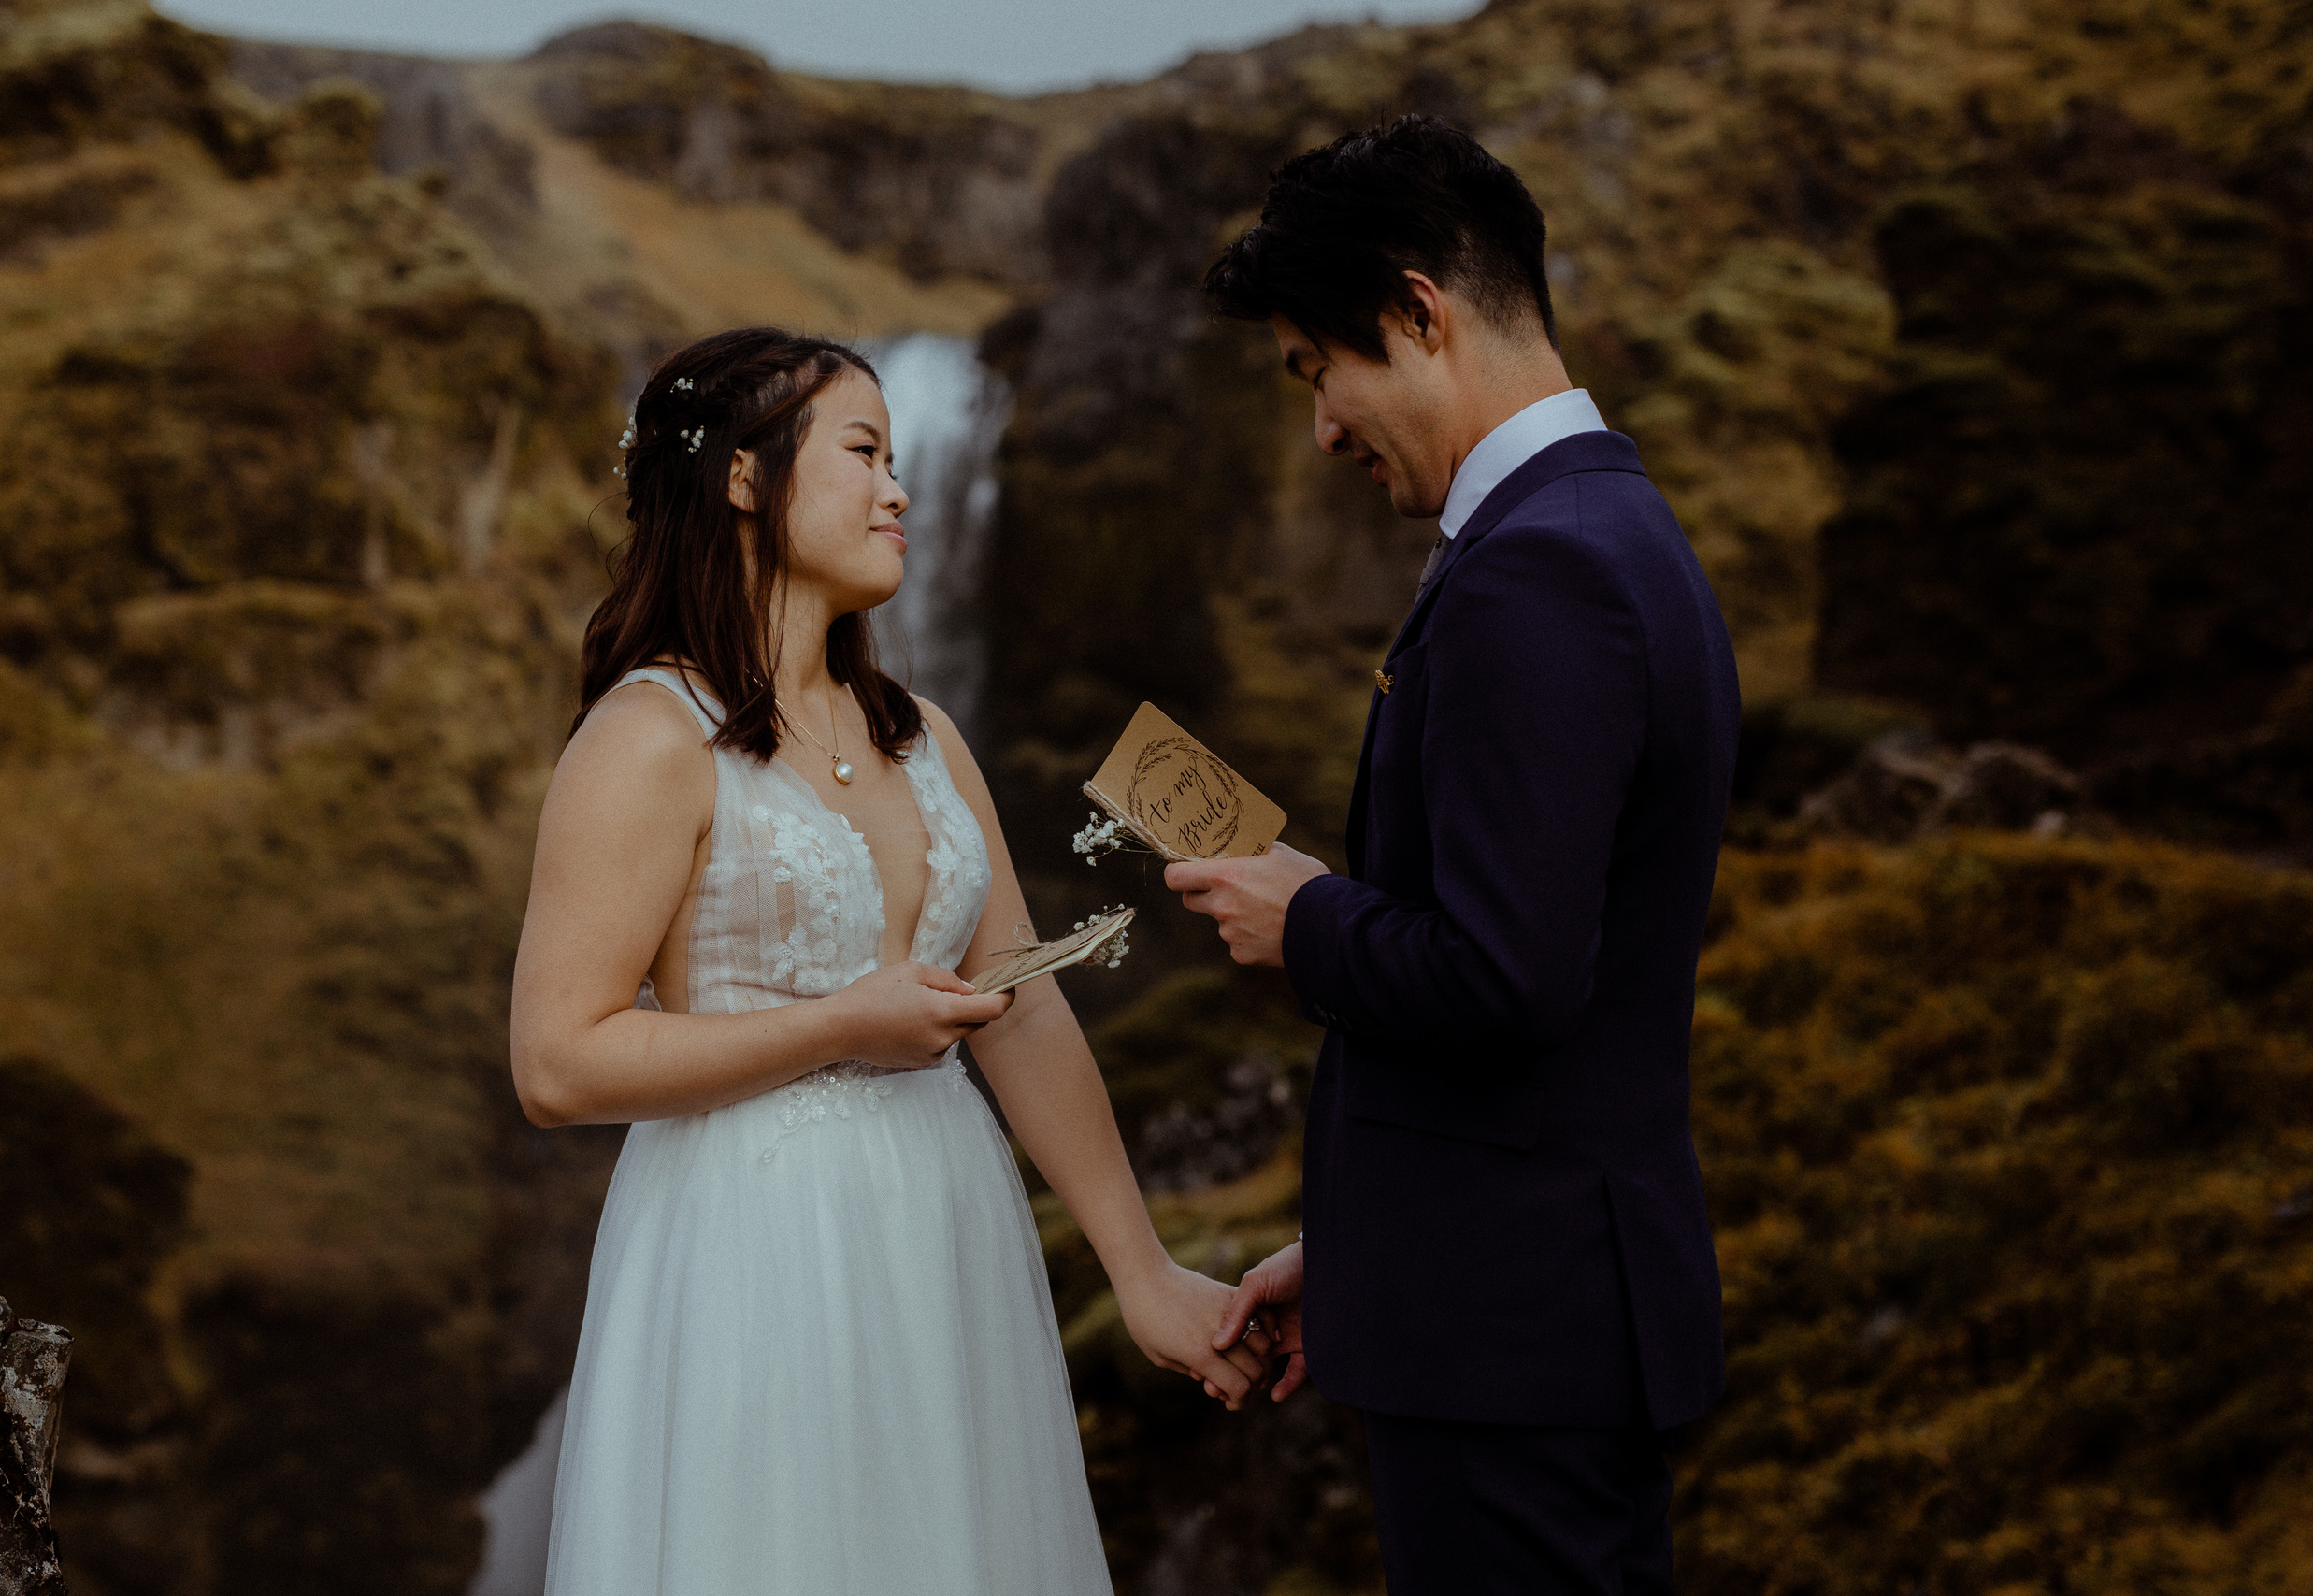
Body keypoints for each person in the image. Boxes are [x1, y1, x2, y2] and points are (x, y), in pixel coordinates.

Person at [510, 327, 1268, 1593]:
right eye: (862, 453)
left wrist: (1141, 1272)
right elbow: (556, 1061)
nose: (898, 492)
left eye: (900, 458)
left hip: (950, 1233)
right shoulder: (650, 738)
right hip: (755, 1244)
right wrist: (834, 1027)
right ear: (744, 480)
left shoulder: (927, 737)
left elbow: (1019, 1011)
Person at [1167, 118, 1741, 1593]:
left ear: (1422, 314)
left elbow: (1506, 977)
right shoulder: (1604, 525)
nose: (1323, 428)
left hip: (1517, 1344)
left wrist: (1304, 917)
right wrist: (1362, 1250)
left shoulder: (1538, 570)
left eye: (1318, 368)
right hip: (1518, 1308)